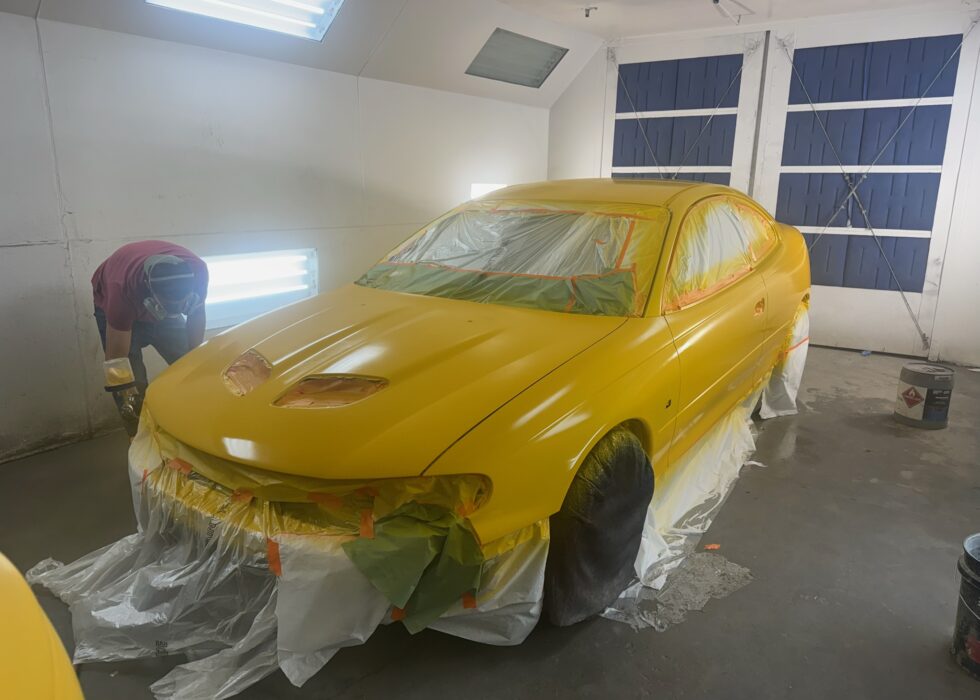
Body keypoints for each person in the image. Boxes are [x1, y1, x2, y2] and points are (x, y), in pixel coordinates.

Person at [92, 241, 209, 435]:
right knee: (132, 384)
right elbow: (117, 360)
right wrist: (126, 398)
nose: (177, 312)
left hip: (156, 301)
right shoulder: (121, 290)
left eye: (181, 307)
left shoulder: (198, 271)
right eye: (170, 307)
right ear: (151, 293)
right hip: (120, 300)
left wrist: (194, 365)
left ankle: (197, 422)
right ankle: (139, 436)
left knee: (189, 364)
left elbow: (196, 318)